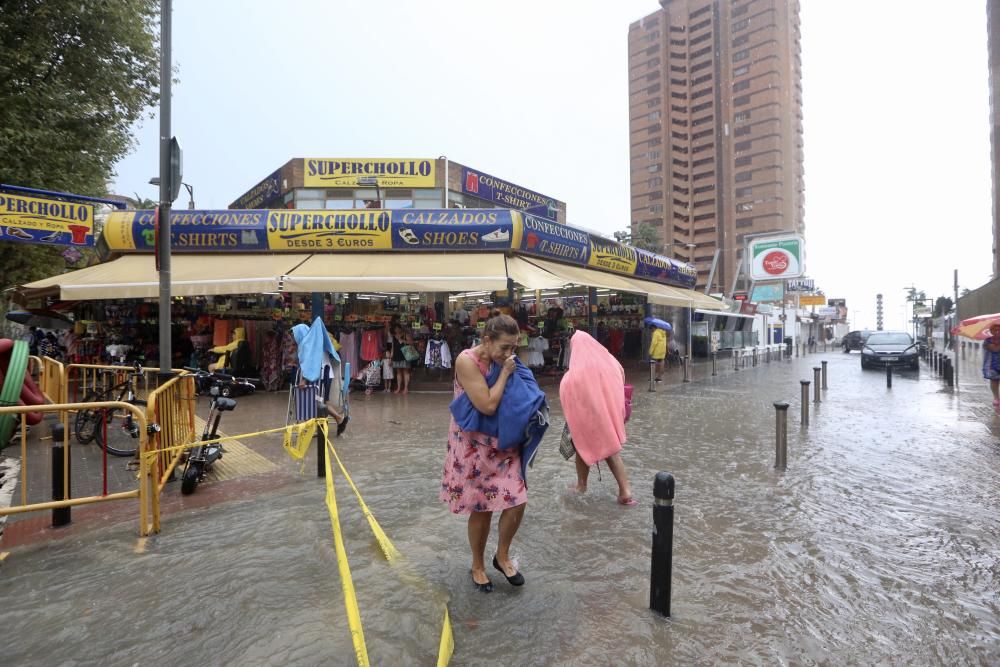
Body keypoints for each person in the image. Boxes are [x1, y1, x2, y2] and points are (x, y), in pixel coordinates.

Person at [440, 312, 528, 593]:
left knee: (518, 498)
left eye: (514, 347)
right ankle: (478, 565)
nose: (509, 353)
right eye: (504, 347)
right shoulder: (467, 361)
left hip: (502, 441)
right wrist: (504, 372)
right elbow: (487, 405)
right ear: (487, 340)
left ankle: (501, 555)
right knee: (482, 508)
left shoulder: (505, 360)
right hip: (473, 447)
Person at [560, 330, 636, 506]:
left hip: (584, 419)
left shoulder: (574, 374)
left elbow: (566, 395)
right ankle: (623, 490)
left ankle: (583, 485)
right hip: (607, 416)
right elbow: (621, 381)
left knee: (583, 448)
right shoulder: (611, 364)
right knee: (611, 451)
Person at [292, 320, 349, 436]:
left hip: (322, 375)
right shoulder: (313, 342)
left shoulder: (307, 344)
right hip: (326, 373)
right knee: (321, 401)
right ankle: (322, 428)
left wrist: (305, 379)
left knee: (318, 401)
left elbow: (312, 363)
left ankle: (339, 418)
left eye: (295, 334)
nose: (294, 337)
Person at [389, 324, 412, 394]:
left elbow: (411, 343)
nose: (396, 330)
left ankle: (406, 388)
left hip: (405, 356)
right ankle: (399, 388)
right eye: (395, 329)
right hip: (396, 356)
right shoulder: (393, 336)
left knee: (406, 372)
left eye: (397, 328)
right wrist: (391, 358)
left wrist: (403, 341)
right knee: (398, 373)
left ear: (400, 328)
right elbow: (392, 348)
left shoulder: (405, 335)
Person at [982, 323, 1000, 406]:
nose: (997, 331)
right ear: (991, 331)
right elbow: (995, 349)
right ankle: (996, 398)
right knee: (994, 380)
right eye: (995, 330)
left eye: (999, 329)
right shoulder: (988, 340)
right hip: (992, 364)